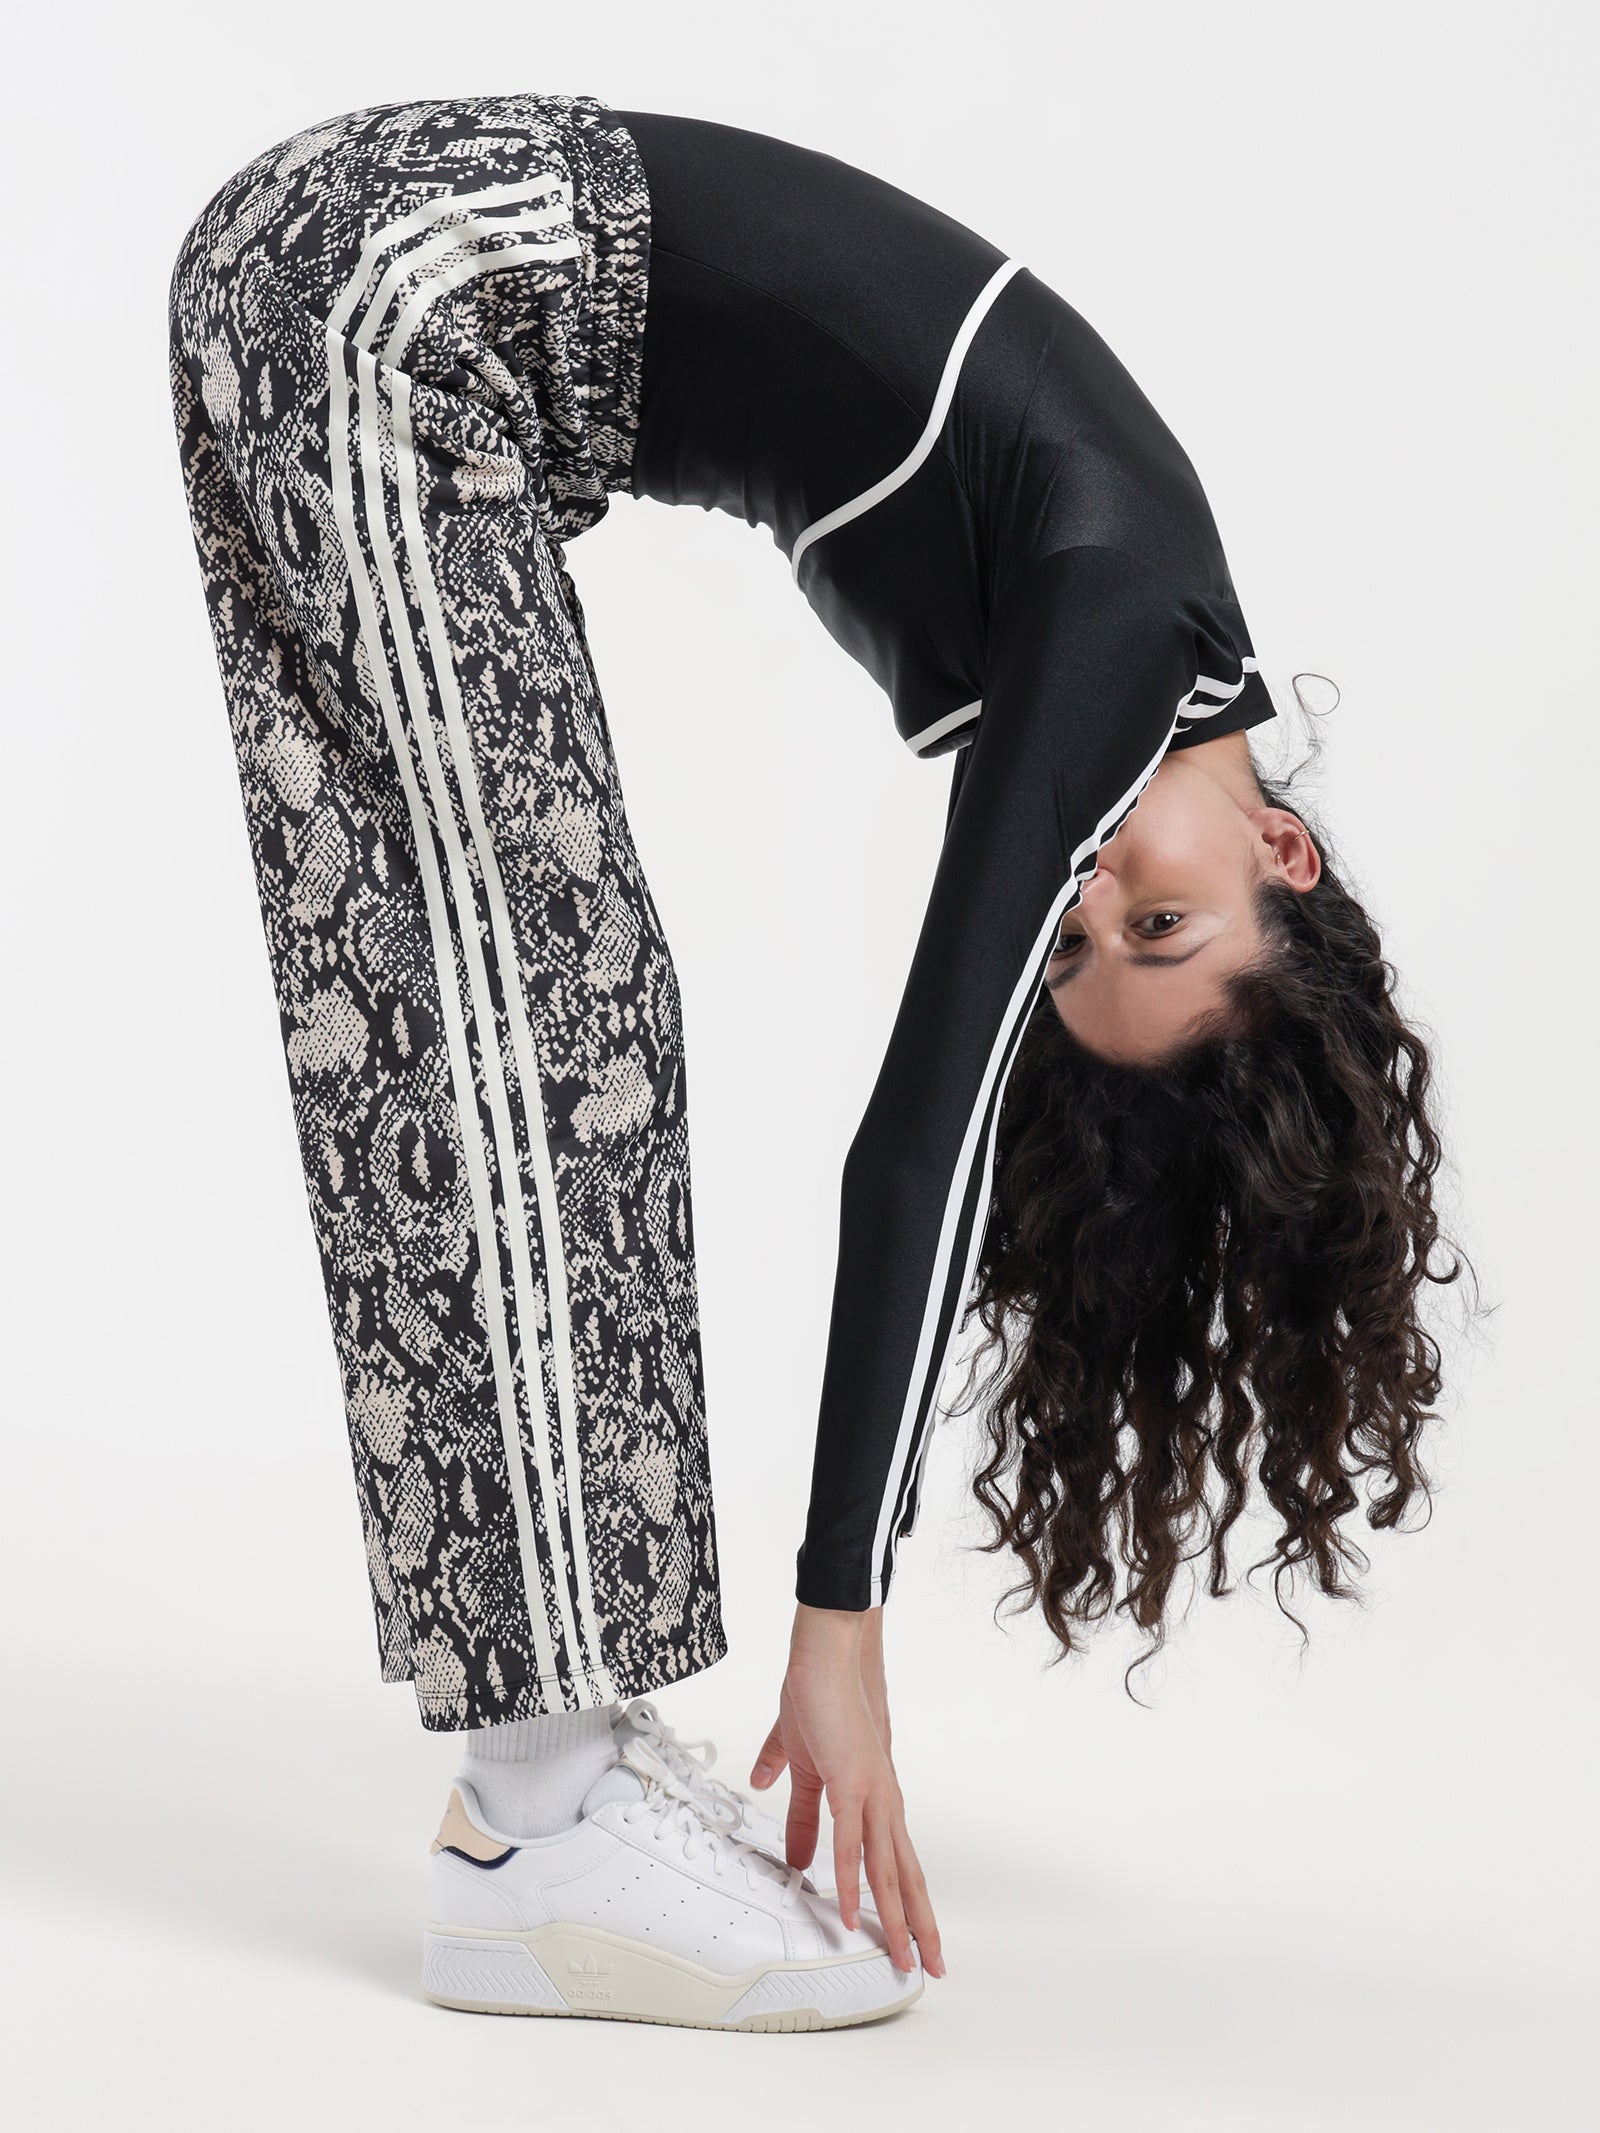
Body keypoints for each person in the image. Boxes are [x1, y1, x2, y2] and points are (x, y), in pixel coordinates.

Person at [167, 92, 1460, 2031]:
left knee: (479, 985)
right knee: (550, 1000)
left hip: (380, 290)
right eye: (1162, 923)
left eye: (1083, 952)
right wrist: (835, 1619)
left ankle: (549, 1766)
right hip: (394, 278)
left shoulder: (1092, 632)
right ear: (1285, 848)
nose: (1095, 898)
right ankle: (541, 1818)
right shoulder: (1124, 624)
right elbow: (920, 1139)